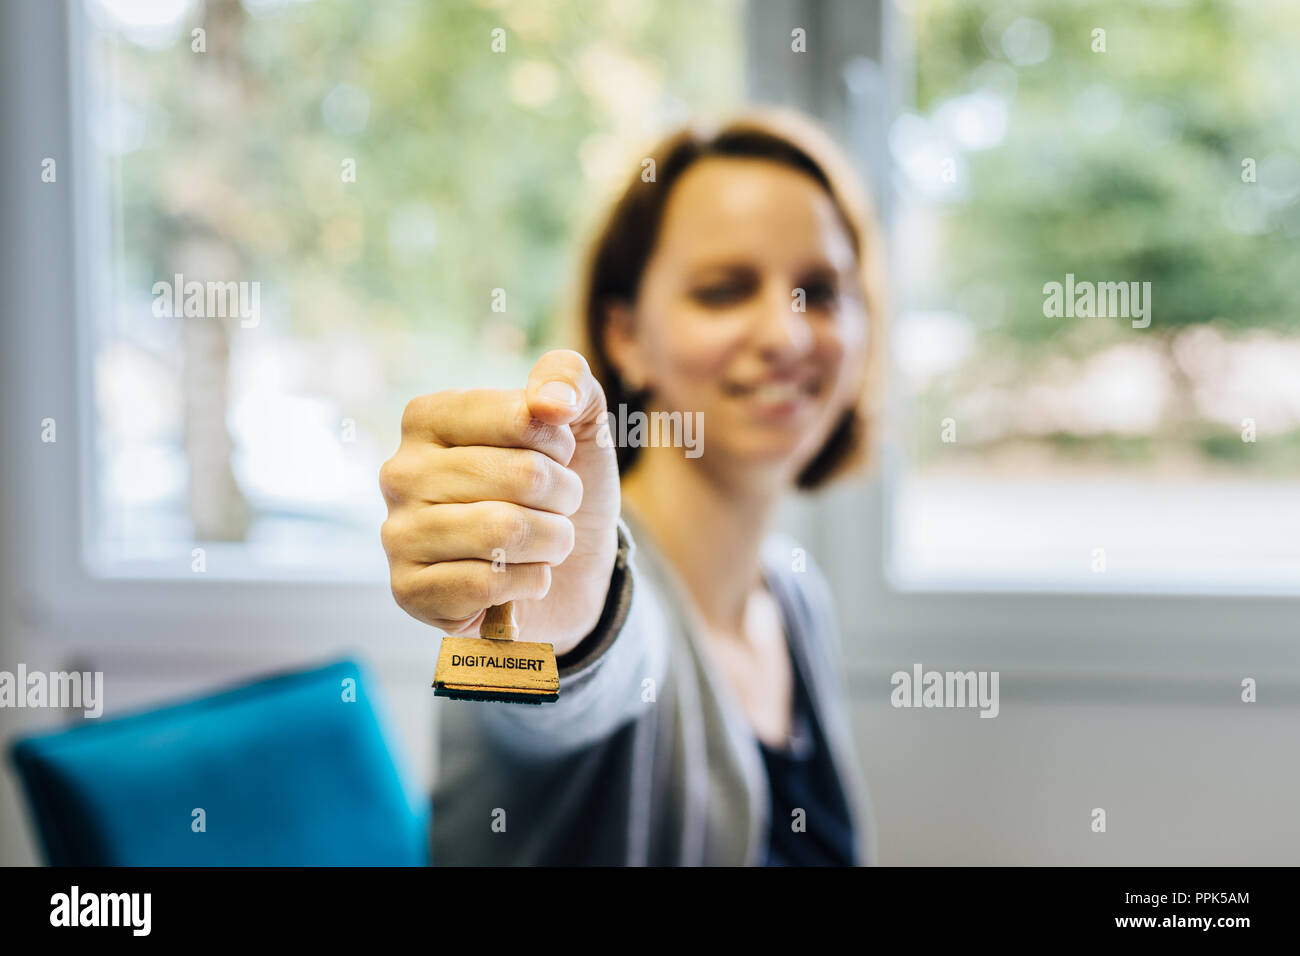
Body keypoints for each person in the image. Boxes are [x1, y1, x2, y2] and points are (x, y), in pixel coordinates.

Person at [379, 108, 886, 865]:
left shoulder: (795, 598)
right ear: (625, 336)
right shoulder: (569, 584)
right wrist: (557, 630)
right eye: (723, 290)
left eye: (819, 291)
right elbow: (581, 676)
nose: (786, 335)